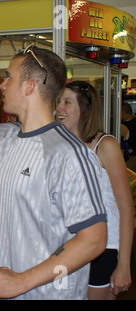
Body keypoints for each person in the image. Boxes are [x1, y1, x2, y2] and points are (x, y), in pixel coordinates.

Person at [0, 45, 107, 299]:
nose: (2, 85)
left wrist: (22, 281)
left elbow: (93, 240)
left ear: (29, 86)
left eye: (9, 77)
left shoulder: (69, 155)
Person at [56, 81, 133, 299]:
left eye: (67, 102)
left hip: (105, 246)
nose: (59, 107)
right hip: (71, 245)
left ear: (85, 109)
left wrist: (124, 264)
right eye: (59, 101)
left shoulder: (105, 145)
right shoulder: (64, 146)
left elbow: (125, 207)